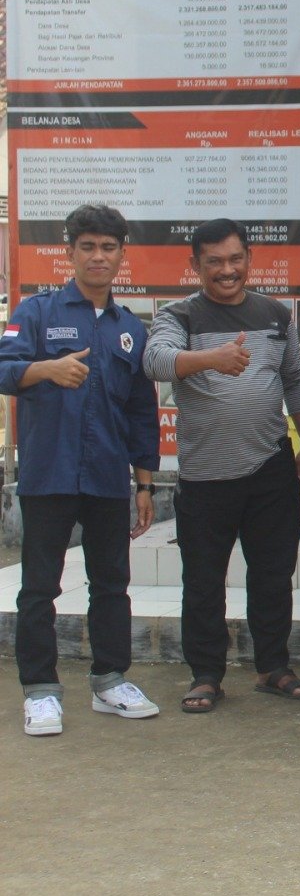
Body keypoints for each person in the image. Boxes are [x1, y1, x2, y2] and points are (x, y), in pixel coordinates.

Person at [143, 218, 300, 713]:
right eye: (214, 261)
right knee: (203, 581)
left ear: (249, 259)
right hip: (205, 477)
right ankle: (206, 675)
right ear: (195, 265)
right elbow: (155, 361)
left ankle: (273, 667)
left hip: (271, 469)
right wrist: (209, 359)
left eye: (235, 259)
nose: (227, 270)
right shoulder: (179, 316)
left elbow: (295, 380)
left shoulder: (274, 314)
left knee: (273, 575)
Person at [1, 204, 161, 735]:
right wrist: (44, 368)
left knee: (112, 584)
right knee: (39, 588)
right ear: (70, 252)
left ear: (121, 255)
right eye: (87, 246)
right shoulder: (36, 311)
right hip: (48, 474)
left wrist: (144, 482)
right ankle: (41, 691)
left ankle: (110, 680)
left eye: (108, 247)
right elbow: (3, 368)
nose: (98, 256)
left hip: (108, 478)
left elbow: (141, 411)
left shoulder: (129, 328)